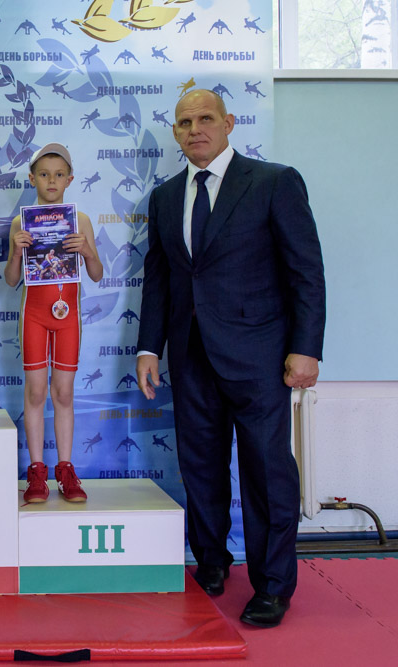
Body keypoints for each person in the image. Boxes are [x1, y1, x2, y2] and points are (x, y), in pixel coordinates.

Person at [136, 89, 325, 628]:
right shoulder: (165, 197)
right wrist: (149, 347)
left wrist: (306, 348)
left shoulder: (273, 182)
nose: (194, 129)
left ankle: (273, 585)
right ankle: (212, 562)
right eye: (184, 122)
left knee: (266, 471)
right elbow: (160, 279)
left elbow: (306, 271)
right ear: (175, 132)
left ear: (228, 123)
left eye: (205, 119)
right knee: (200, 467)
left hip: (261, 356)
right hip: (190, 354)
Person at [5, 144, 103, 503]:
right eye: (44, 174)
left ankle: (65, 469)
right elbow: (11, 280)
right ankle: (36, 471)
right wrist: (17, 252)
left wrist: (87, 251)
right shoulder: (21, 223)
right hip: (34, 315)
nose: (51, 181)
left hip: (68, 318)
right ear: (32, 179)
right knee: (35, 393)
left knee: (63, 393)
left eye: (59, 175)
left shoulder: (82, 221)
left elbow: (97, 274)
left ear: (70, 180)